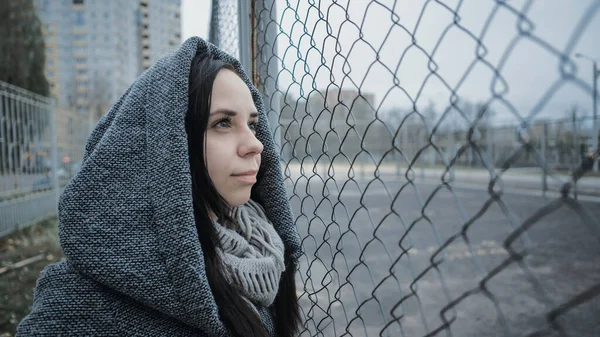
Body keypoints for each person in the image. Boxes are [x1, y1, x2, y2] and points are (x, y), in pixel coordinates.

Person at [16, 37, 303, 337]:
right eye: (223, 123)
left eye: (253, 124)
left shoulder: (263, 247)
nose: (255, 144)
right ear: (169, 144)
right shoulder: (80, 300)